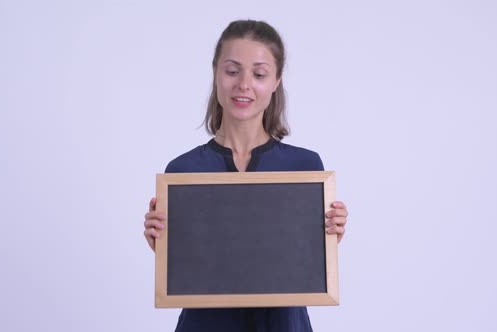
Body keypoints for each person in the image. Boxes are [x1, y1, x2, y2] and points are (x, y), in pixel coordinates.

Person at [143, 19, 349, 332]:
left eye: (259, 73)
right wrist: (165, 248)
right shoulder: (183, 173)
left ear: (277, 80)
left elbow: (305, 263)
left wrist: (328, 236)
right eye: (232, 70)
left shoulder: (305, 168)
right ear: (215, 73)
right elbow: (186, 268)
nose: (244, 85)